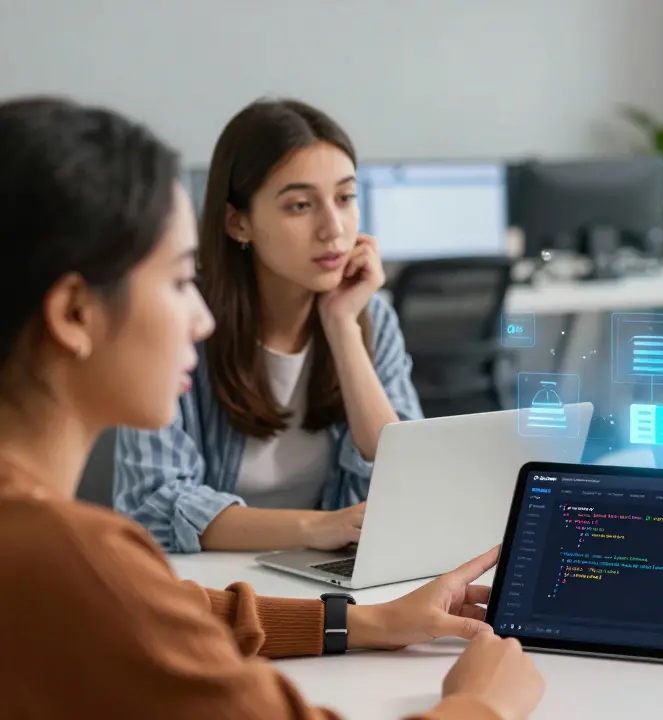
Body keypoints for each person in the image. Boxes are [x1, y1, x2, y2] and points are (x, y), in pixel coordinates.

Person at [0, 97, 542, 718]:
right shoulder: (73, 560)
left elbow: (176, 608)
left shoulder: (53, 551)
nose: (200, 319)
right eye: (179, 281)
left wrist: (367, 623)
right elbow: (132, 589)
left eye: (344, 197)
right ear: (74, 313)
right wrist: (482, 705)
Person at [114, 98, 423, 553]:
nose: (333, 228)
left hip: (321, 577)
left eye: (345, 197)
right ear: (239, 223)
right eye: (300, 205)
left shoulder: (370, 317)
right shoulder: (180, 323)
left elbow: (406, 480)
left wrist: (342, 329)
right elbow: (153, 504)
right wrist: (314, 528)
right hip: (209, 588)